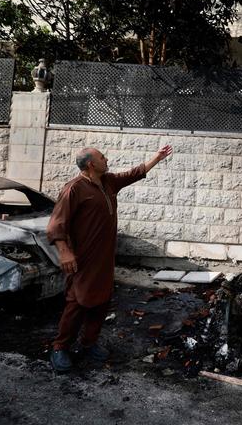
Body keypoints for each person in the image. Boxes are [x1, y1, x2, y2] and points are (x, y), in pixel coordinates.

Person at [47, 145, 172, 372]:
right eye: (102, 157)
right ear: (91, 164)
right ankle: (60, 347)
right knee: (77, 302)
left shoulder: (108, 182)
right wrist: (64, 251)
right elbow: (57, 223)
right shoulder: (73, 189)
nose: (107, 159)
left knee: (102, 301)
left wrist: (157, 158)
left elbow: (134, 173)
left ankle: (89, 343)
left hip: (104, 258)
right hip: (82, 259)